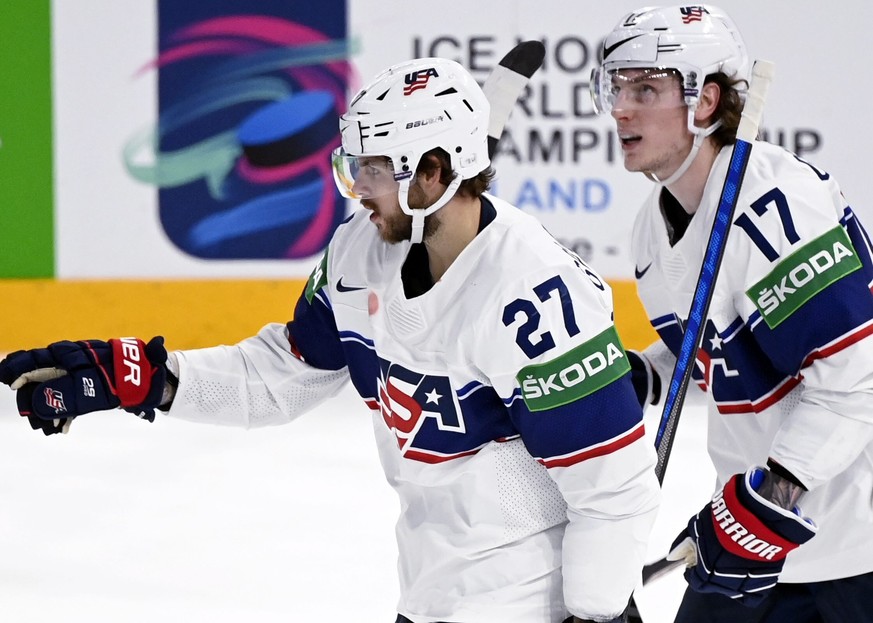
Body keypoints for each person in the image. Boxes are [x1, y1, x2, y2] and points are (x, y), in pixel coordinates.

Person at [0, 57, 660, 623]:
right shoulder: (358, 251)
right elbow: (276, 376)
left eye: (372, 170)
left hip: (523, 603)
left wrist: (598, 606)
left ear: (431, 172)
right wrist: (141, 376)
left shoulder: (533, 296)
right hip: (431, 591)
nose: (356, 189)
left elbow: (613, 489)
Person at [591, 5, 873, 623]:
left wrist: (771, 498)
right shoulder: (651, 229)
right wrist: (644, 375)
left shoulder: (776, 205)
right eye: (616, 88)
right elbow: (715, 349)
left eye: (645, 88)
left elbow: (857, 381)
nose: (620, 108)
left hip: (854, 547)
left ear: (706, 100)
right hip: (754, 543)